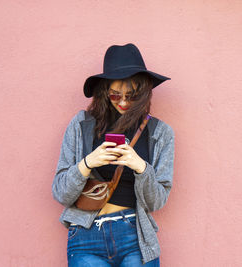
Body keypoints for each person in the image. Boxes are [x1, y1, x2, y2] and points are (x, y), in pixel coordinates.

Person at [52, 43, 174, 266]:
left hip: (135, 236)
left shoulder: (160, 133)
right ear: (104, 92)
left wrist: (141, 167)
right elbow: (61, 192)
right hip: (86, 238)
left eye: (132, 95)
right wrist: (88, 163)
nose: (124, 102)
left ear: (145, 92)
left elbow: (157, 201)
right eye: (115, 95)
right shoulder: (81, 125)